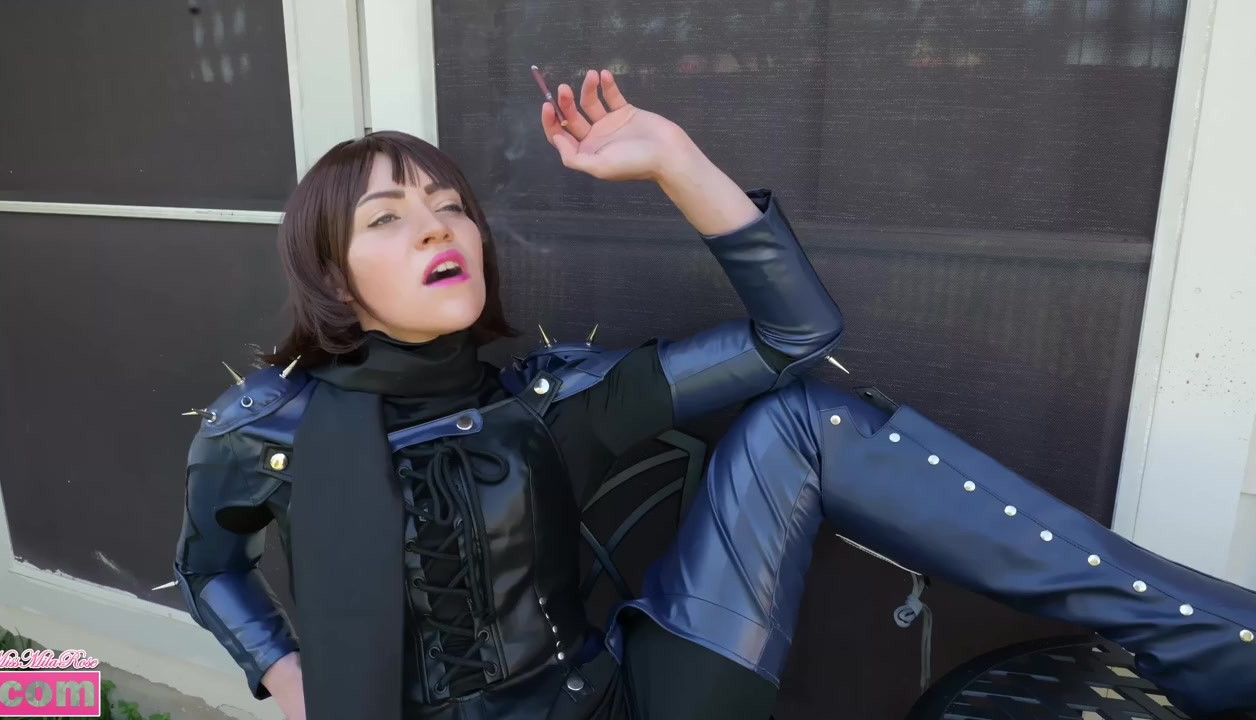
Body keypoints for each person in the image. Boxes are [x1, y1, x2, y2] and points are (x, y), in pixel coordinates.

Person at [173, 68, 1256, 720]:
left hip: (624, 705)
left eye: (450, 205)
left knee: (805, 421)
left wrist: (675, 160)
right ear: (333, 278)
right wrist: (283, 673)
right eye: (388, 218)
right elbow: (209, 565)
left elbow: (796, 337)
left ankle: (1215, 646)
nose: (435, 227)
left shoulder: (546, 401)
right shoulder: (266, 427)